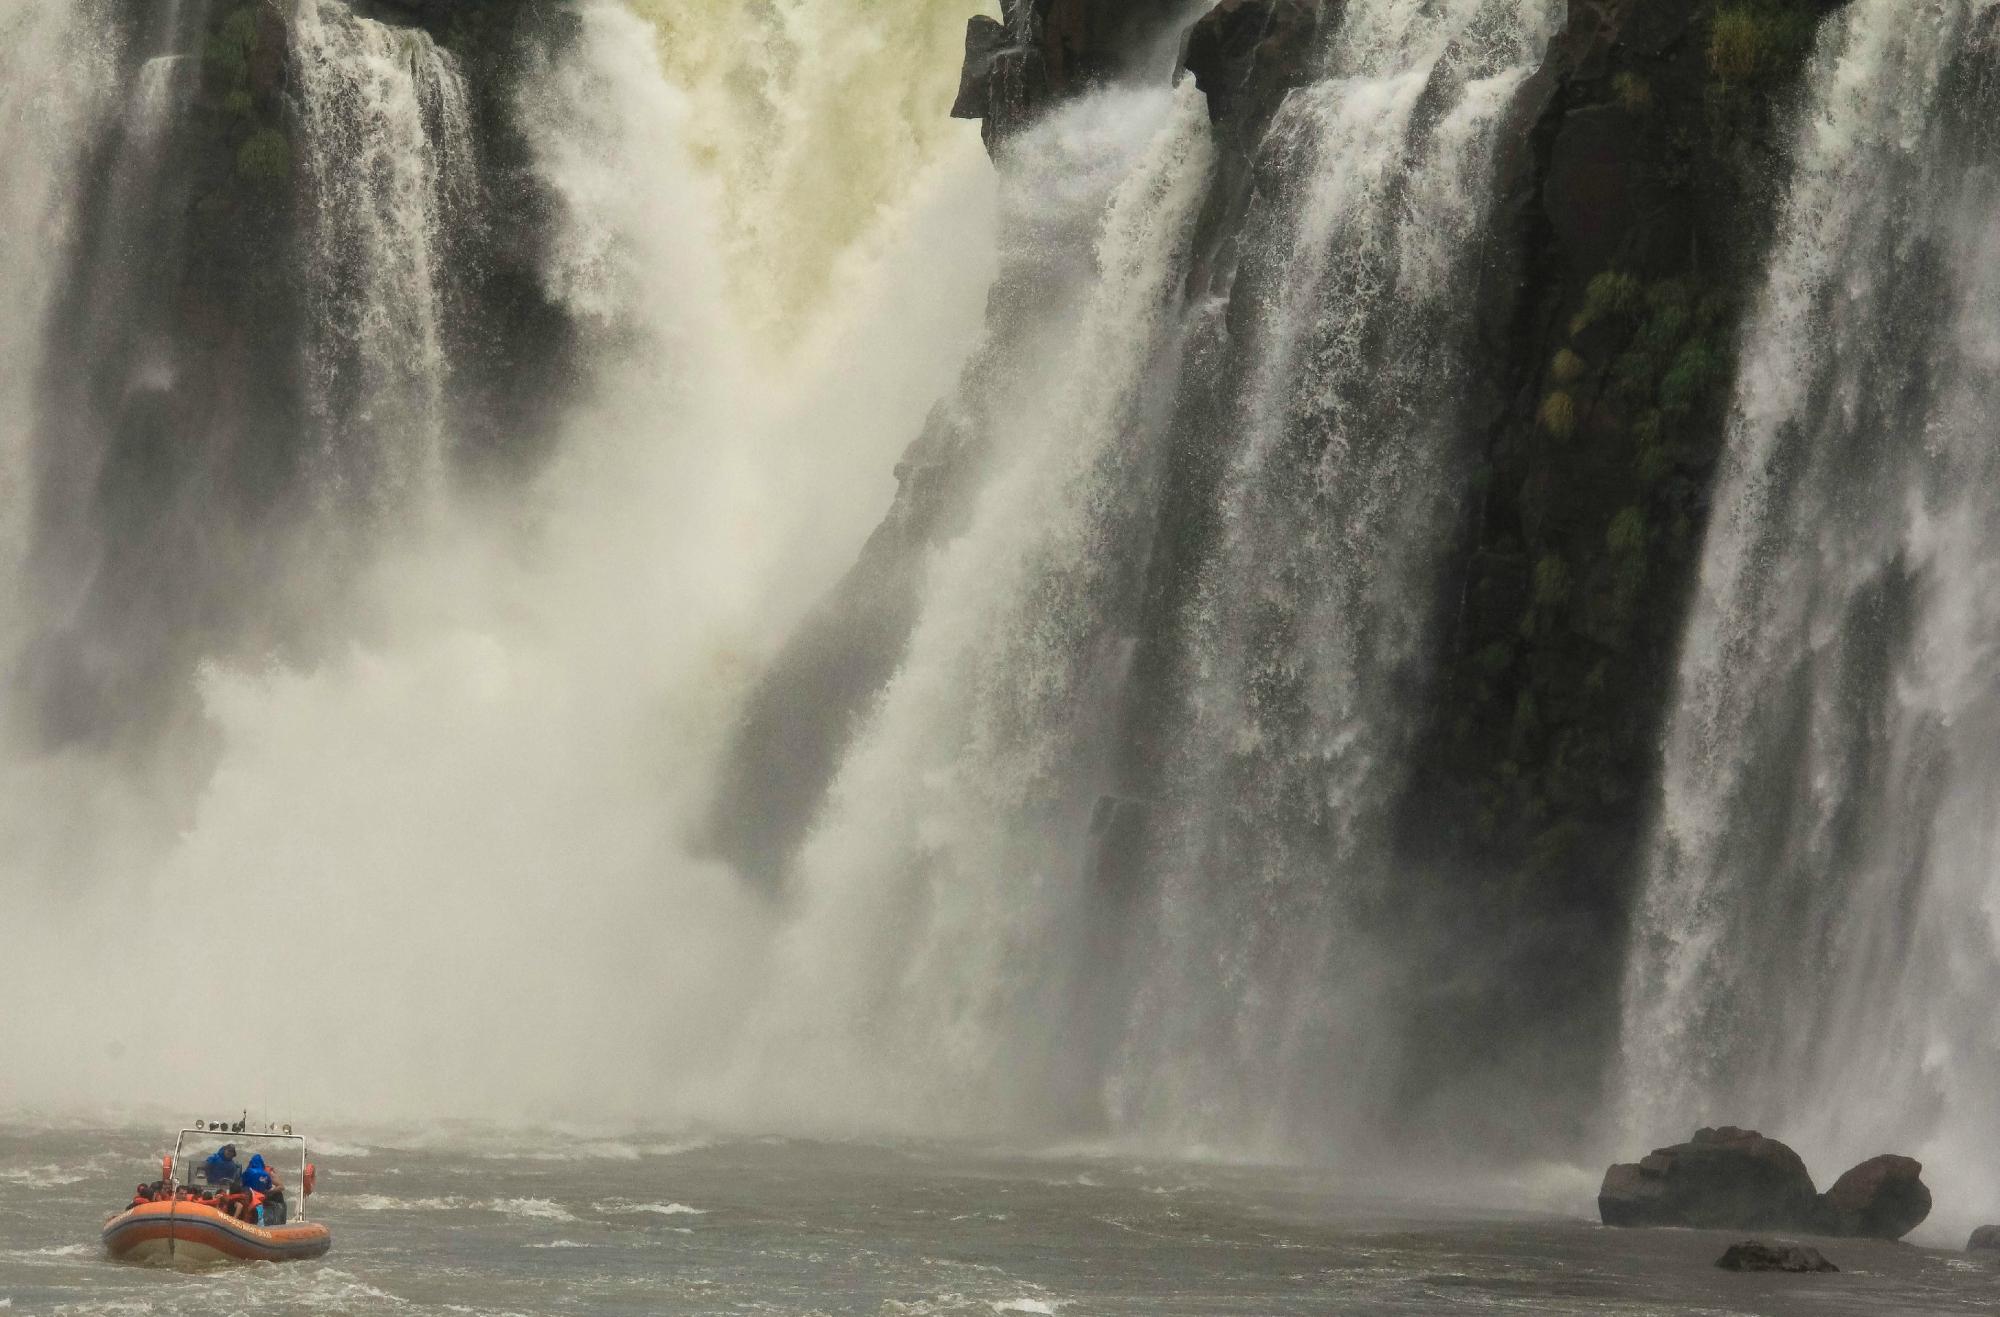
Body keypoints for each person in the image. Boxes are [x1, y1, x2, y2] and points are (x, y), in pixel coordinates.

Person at [242, 1153, 286, 1225]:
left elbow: (281, 1187)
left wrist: (269, 1192)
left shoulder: (269, 1173)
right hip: (255, 1195)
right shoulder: (250, 1171)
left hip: (262, 1196)